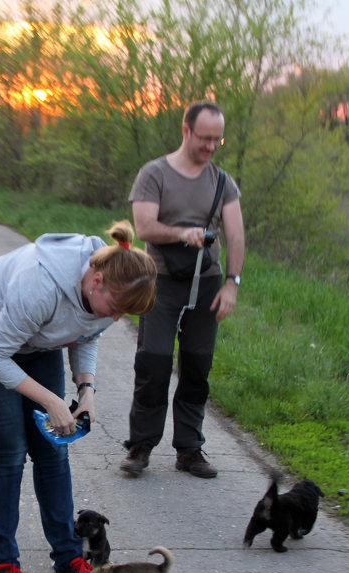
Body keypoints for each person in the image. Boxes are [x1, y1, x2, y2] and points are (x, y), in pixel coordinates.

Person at [0, 221, 157, 573]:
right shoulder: (41, 286)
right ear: (96, 280)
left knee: (53, 449)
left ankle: (67, 557)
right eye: (116, 308)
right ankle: (4, 564)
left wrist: (86, 388)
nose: (115, 320)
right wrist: (50, 399)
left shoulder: (109, 295)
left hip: (33, 343)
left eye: (124, 314)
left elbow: (85, 332)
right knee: (9, 451)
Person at [120, 100, 246, 479]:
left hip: (206, 283)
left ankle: (190, 449)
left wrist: (231, 284)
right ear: (186, 130)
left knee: (197, 367)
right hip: (159, 280)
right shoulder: (154, 173)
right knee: (154, 363)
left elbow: (236, 235)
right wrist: (183, 233)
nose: (210, 146)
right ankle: (140, 446)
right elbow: (144, 227)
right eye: (204, 138)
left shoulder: (222, 182)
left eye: (217, 140)